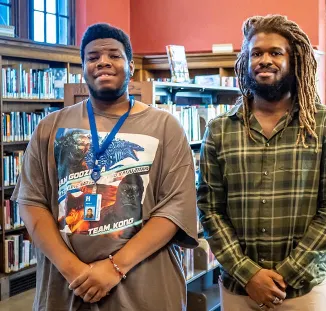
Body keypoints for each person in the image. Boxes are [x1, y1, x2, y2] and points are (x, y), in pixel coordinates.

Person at [12, 23, 198, 311]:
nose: (103, 62)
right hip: (66, 288)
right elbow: (32, 202)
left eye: (114, 55)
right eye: (93, 57)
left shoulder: (165, 127)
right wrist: (73, 269)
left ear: (131, 66)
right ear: (83, 67)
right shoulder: (50, 127)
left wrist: (113, 269)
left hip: (144, 290)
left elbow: (175, 209)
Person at [197, 15, 326, 311]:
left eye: (275, 53)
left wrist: (284, 275)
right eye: (256, 53)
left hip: (305, 289)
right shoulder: (219, 129)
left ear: (294, 61)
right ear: (245, 61)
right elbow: (209, 209)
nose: (264, 60)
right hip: (238, 290)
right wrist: (249, 275)